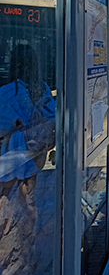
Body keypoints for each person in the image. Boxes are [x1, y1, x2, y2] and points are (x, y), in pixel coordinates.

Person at [0, 44, 56, 274]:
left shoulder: (7, 91)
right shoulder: (41, 88)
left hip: (9, 157)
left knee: (4, 202)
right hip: (33, 155)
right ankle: (27, 252)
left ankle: (7, 257)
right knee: (28, 201)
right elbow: (54, 116)